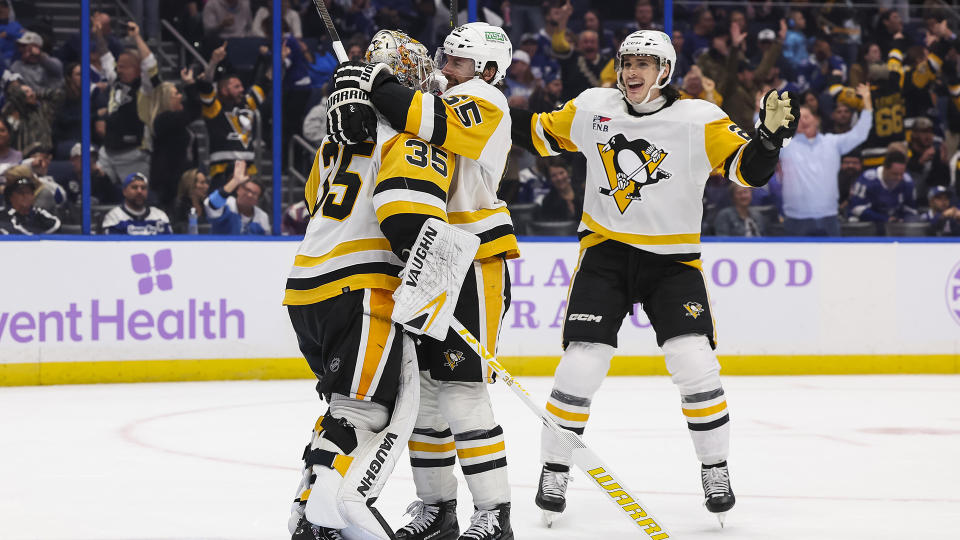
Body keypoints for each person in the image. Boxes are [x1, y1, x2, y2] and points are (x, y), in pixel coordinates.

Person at [508, 30, 799, 525]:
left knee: (695, 363)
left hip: (673, 262)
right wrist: (480, 100)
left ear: (665, 71)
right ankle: (555, 468)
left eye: (645, 63)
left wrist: (768, 141)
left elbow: (748, 172)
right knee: (581, 363)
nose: (633, 71)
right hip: (606, 254)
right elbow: (533, 132)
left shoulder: (699, 118)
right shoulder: (593, 107)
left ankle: (715, 469)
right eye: (627, 62)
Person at [328, 22, 518, 540]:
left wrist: (374, 78)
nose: (444, 68)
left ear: (487, 70)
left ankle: (494, 514)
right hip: (433, 260)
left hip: (472, 259)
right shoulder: (451, 97)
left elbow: (427, 117)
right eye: (444, 58)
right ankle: (438, 509)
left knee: (463, 392)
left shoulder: (485, 99)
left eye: (456, 62)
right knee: (427, 395)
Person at [282, 30, 455, 540]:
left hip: (307, 286)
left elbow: (317, 200)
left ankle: (306, 510)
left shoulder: (334, 139)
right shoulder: (409, 137)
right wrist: (438, 287)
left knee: (342, 408)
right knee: (363, 411)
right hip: (363, 287)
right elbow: (408, 219)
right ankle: (322, 520)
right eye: (420, 79)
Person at [779, 85, 873, 235]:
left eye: (806, 117)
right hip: (796, 219)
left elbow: (860, 133)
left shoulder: (832, 143)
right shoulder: (786, 147)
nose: (803, 121)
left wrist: (867, 102)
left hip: (828, 217)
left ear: (816, 120)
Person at [197, 42, 269, 189]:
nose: (242, 89)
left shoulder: (248, 103)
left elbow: (266, 82)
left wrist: (279, 60)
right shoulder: (215, 107)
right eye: (236, 86)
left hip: (247, 171)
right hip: (222, 172)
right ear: (223, 89)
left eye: (242, 86)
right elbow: (206, 85)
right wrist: (213, 62)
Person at [97, 22, 159, 187]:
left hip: (134, 153)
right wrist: (98, 34)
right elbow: (105, 58)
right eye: (118, 67)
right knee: (96, 184)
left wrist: (137, 37)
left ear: (137, 69)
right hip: (109, 151)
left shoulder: (146, 88)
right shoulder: (116, 81)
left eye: (123, 67)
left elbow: (150, 65)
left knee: (136, 193)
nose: (119, 70)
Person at [848, 149, 917, 234]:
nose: (899, 178)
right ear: (885, 169)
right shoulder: (867, 180)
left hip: (895, 229)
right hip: (866, 228)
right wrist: (884, 218)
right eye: (895, 174)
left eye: (901, 174)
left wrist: (904, 220)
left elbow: (911, 210)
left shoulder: (907, 182)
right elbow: (856, 208)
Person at [203, 160, 270, 235]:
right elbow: (211, 204)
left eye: (254, 193)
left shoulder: (262, 217)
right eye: (246, 189)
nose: (249, 195)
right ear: (238, 189)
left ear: (257, 200)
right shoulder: (226, 204)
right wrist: (235, 181)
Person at [100, 172, 171, 235]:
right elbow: (112, 247)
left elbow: (170, 245)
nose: (139, 191)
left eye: (143, 188)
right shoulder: (114, 217)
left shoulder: (160, 216)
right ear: (124, 192)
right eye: (134, 187)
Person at [172, 168, 209, 232]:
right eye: (202, 183)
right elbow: (176, 228)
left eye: (206, 182)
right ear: (191, 185)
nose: (206, 186)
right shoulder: (180, 204)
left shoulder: (206, 204)